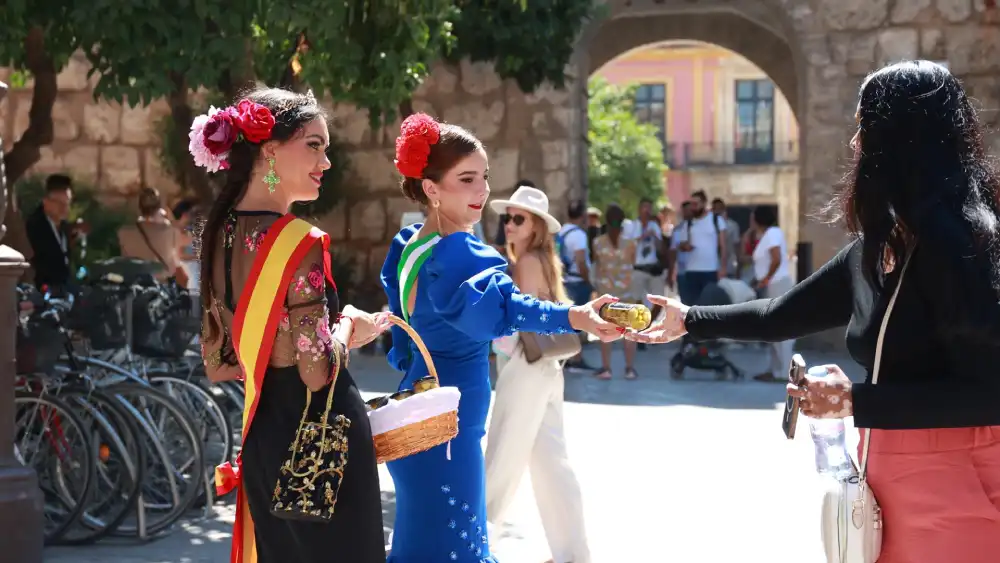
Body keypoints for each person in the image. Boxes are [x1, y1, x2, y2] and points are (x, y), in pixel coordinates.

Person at [631, 61, 1000, 563]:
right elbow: (780, 315)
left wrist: (855, 400)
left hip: (960, 488)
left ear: (900, 137)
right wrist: (688, 318)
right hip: (890, 482)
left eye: (862, 128)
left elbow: (987, 395)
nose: (854, 145)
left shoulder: (958, 244)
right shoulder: (884, 243)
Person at [381, 113, 622, 563]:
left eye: (485, 177)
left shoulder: (410, 244)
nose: (483, 191)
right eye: (467, 179)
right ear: (431, 188)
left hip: (416, 407)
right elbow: (511, 309)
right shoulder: (463, 253)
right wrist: (577, 316)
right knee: (457, 548)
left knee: (421, 544)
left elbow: (403, 327)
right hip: (449, 419)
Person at [195, 87, 389, 563]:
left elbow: (220, 363)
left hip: (263, 435)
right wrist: (351, 328)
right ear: (269, 150)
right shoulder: (299, 241)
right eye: (314, 146)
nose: (326, 162)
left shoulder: (217, 235)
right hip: (321, 445)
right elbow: (317, 369)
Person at [483, 185, 591, 563]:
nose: (509, 225)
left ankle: (474, 544)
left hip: (526, 367)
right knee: (551, 463)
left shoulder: (526, 262)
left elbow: (520, 319)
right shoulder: (540, 260)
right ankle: (573, 555)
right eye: (507, 217)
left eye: (518, 219)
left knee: (501, 457)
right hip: (545, 368)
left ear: (536, 226)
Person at [745, 206, 793, 383]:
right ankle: (774, 369)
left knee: (781, 327)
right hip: (771, 285)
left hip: (777, 284)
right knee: (772, 329)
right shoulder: (765, 236)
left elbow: (776, 258)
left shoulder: (773, 233)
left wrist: (766, 278)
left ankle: (784, 371)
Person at [591, 204, 638, 380]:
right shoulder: (631, 244)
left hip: (606, 293)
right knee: (629, 332)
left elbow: (597, 265)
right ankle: (629, 368)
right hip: (626, 291)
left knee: (606, 331)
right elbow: (632, 263)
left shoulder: (597, 243)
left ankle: (606, 368)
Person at [118, 187, 189, 286]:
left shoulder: (124, 233)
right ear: (159, 209)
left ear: (140, 208)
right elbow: (174, 263)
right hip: (160, 288)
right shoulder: (170, 231)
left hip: (134, 288)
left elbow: (125, 261)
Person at [556, 199, 595, 371]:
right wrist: (589, 281)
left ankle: (564, 356)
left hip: (563, 280)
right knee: (578, 321)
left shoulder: (561, 231)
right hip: (577, 282)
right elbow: (580, 261)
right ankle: (576, 358)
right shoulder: (579, 235)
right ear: (583, 215)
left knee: (565, 319)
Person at [672, 190, 726, 305]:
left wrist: (723, 267)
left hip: (710, 270)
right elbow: (681, 244)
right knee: (692, 305)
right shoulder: (688, 223)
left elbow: (723, 246)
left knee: (710, 304)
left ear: (704, 203)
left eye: (696, 204)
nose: (693, 207)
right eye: (691, 204)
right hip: (691, 271)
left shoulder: (716, 220)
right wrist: (685, 246)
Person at [25, 174, 77, 291]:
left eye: (67, 203)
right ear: (46, 202)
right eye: (59, 203)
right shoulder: (34, 226)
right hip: (41, 293)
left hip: (65, 291)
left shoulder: (64, 227)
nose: (64, 208)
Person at [173, 198, 200, 291]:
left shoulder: (189, 231)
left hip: (198, 283)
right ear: (185, 215)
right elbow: (180, 255)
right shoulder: (176, 233)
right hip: (194, 284)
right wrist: (199, 255)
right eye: (191, 214)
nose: (193, 217)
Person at [711, 198, 742, 279]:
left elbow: (737, 246)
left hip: (729, 264)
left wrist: (738, 265)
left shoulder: (733, 225)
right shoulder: (708, 226)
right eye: (715, 209)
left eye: (720, 209)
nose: (718, 212)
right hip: (712, 266)